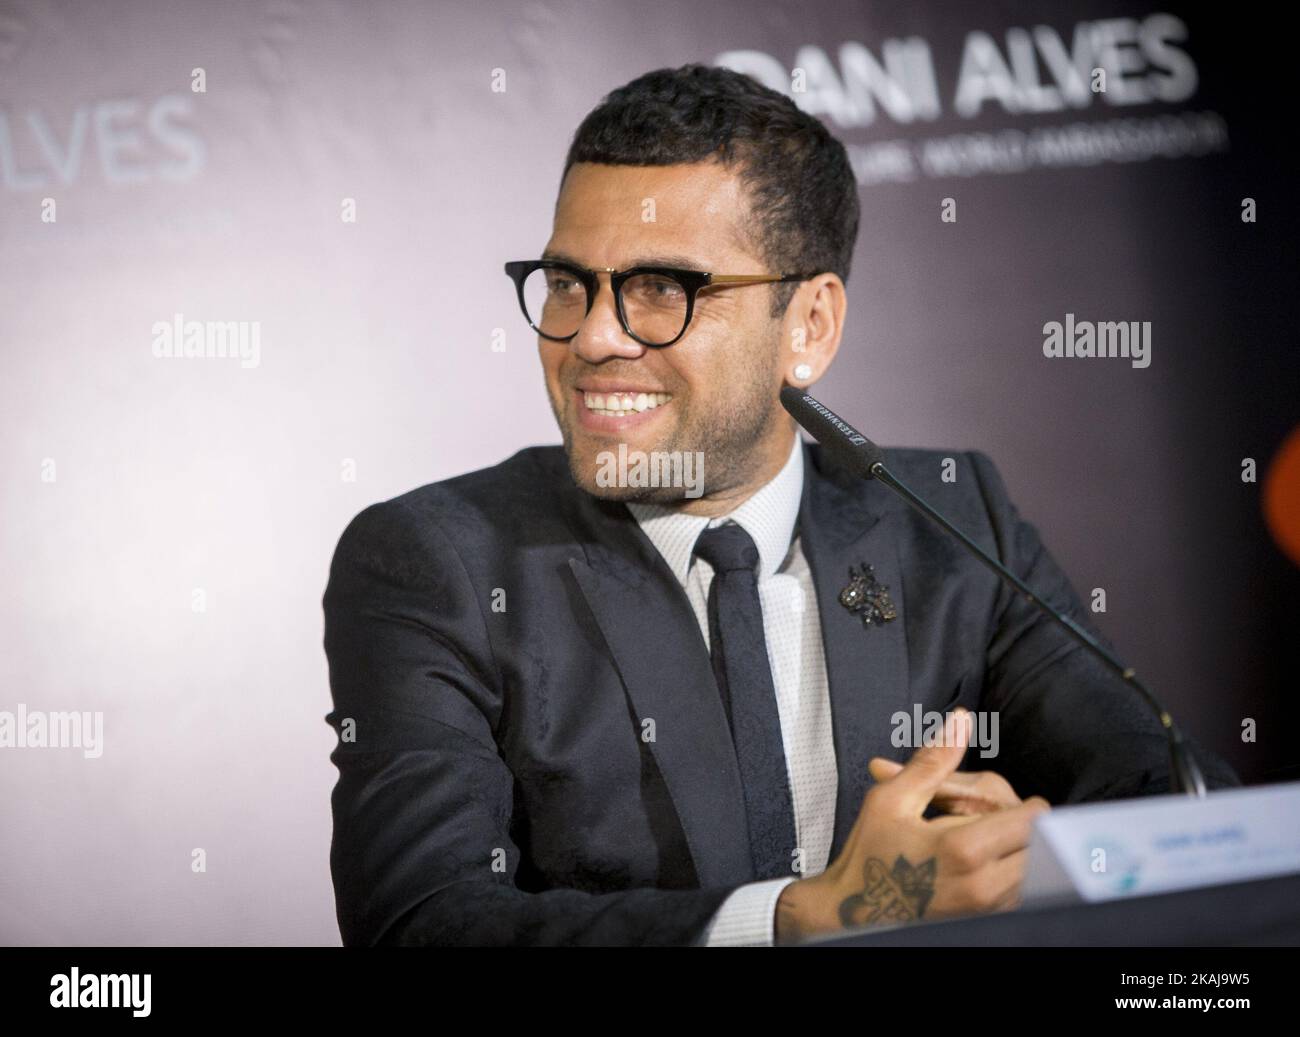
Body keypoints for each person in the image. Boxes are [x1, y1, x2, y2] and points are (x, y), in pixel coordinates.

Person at [322, 64, 1238, 947]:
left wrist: (1043, 860)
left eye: (662, 289)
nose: (593, 336)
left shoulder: (952, 522)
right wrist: (806, 916)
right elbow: (421, 922)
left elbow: (1175, 804)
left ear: (810, 328)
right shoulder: (435, 561)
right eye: (568, 282)